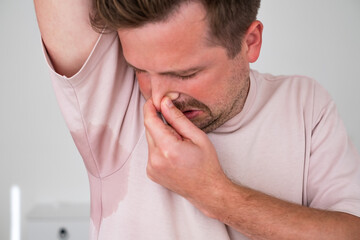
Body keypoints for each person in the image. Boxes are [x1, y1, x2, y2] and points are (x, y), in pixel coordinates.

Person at [34, 0, 360, 239]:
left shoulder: (305, 103)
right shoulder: (114, 102)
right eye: (141, 71)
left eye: (185, 73)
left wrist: (212, 192)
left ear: (250, 42)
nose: (159, 97)